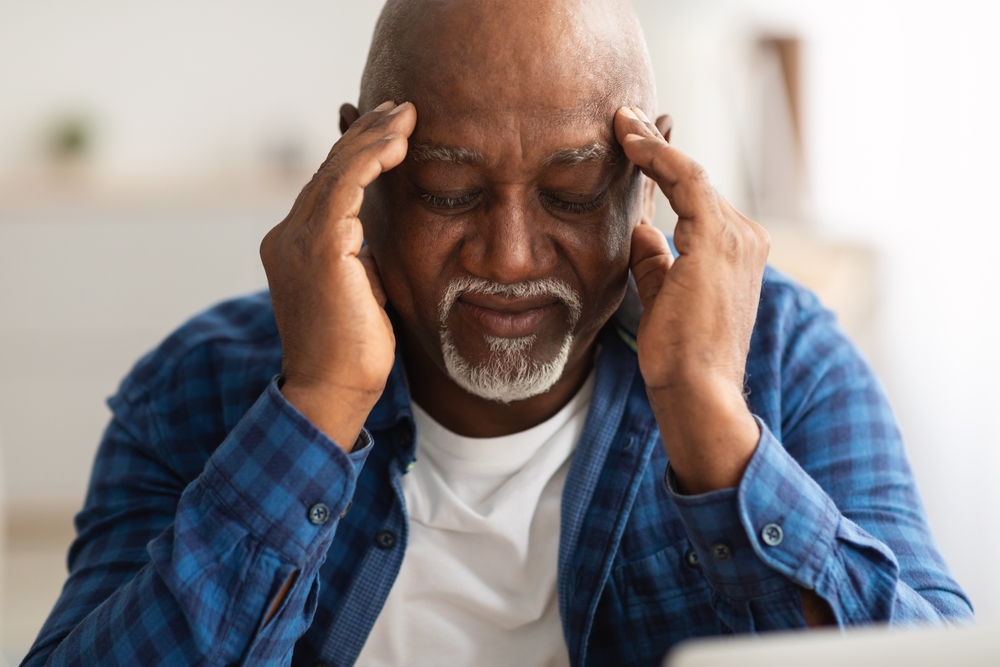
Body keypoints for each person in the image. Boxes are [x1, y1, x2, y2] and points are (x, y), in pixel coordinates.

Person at [25, 0, 972, 665]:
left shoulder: (783, 358)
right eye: (449, 188)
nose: (512, 255)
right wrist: (316, 408)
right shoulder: (201, 384)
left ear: (649, 171)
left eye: (570, 192)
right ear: (362, 164)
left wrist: (711, 425)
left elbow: (930, 653)